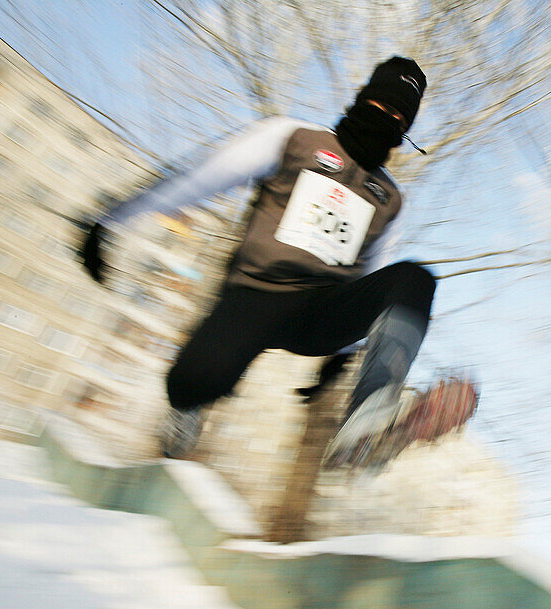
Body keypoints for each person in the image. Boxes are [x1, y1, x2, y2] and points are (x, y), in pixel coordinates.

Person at [79, 57, 435, 463]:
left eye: (398, 117)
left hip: (321, 310)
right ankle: (187, 407)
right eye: (380, 105)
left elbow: (374, 269)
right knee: (192, 381)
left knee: (414, 279)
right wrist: (111, 219)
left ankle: (370, 415)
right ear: (361, 99)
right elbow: (204, 176)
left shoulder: (389, 199)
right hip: (256, 294)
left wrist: (344, 354)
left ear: (405, 130)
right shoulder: (293, 139)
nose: (386, 119)